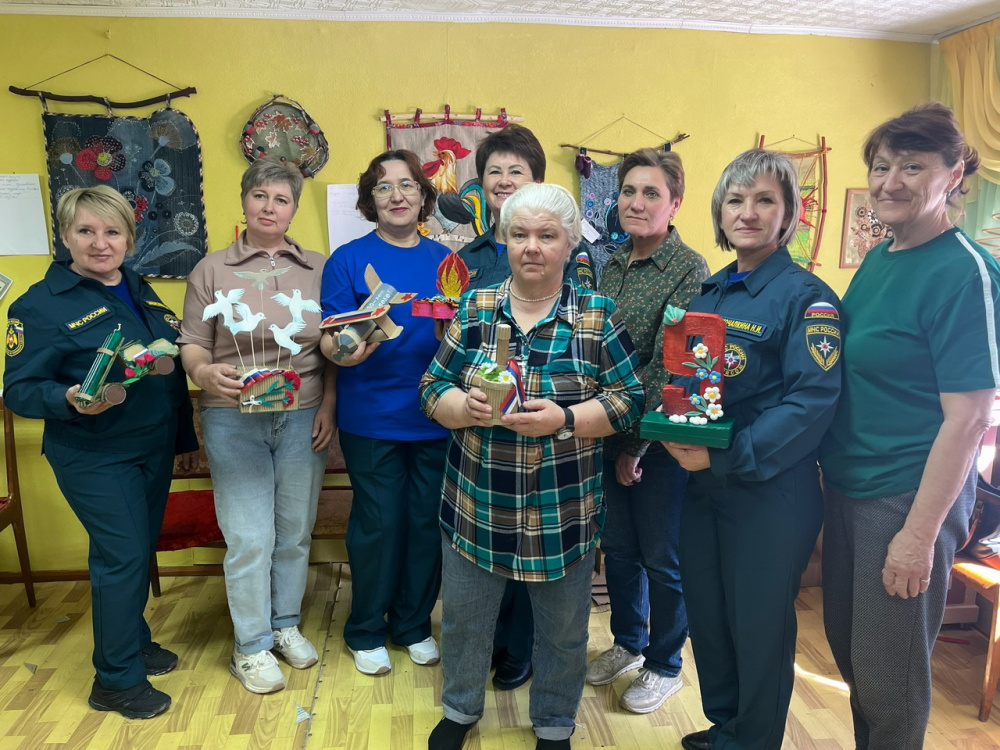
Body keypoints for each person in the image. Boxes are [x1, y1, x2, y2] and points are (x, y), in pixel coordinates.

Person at [419, 183, 645, 750]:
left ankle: (554, 724)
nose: (532, 247)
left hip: (561, 513)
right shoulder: (475, 309)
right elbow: (431, 387)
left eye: (547, 235)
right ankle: (459, 710)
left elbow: (628, 401)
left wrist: (564, 419)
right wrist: (463, 408)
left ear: (569, 245)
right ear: (504, 240)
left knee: (564, 633)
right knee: (466, 623)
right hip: (477, 505)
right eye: (519, 234)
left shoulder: (596, 317)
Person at [819, 103, 1000, 750]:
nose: (890, 181)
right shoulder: (882, 257)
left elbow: (970, 417)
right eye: (881, 166)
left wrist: (918, 537)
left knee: (890, 687)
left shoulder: (964, 272)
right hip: (849, 486)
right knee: (856, 663)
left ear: (952, 175)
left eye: (912, 167)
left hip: (904, 497)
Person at [662, 149, 842, 750]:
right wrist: (670, 425)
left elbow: (811, 403)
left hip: (770, 494)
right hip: (704, 488)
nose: (748, 212)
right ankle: (727, 729)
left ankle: (753, 742)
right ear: (720, 212)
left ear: (789, 214)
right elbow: (692, 383)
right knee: (710, 618)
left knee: (758, 628)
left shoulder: (806, 298)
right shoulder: (710, 292)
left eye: (765, 200)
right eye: (736, 200)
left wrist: (724, 454)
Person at [3, 185, 197, 719]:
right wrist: (65, 398)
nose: (99, 243)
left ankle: (131, 641)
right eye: (85, 231)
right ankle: (115, 680)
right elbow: (18, 390)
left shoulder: (137, 286)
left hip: (151, 447)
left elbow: (166, 369)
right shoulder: (38, 306)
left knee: (135, 550)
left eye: (112, 231)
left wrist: (183, 441)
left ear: (129, 238)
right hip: (93, 454)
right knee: (122, 556)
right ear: (65, 236)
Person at [178, 158, 335, 694]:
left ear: (294, 209)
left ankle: (285, 623)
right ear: (244, 201)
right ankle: (250, 645)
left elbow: (334, 346)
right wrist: (203, 372)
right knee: (249, 537)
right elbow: (192, 343)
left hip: (302, 415)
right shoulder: (211, 269)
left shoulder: (318, 268)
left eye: (282, 199)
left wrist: (329, 407)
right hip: (232, 418)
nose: (270, 207)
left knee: (294, 531)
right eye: (260, 196)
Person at [587, 148, 709, 713]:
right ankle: (628, 642)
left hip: (659, 441)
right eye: (628, 191)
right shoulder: (611, 263)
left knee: (663, 557)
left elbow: (671, 364)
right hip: (605, 432)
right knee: (619, 548)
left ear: (675, 203)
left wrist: (636, 444)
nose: (636, 203)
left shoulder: (688, 268)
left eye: (651, 193)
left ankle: (665, 664)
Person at [320, 150, 450, 676]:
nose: (397, 195)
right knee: (378, 523)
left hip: (438, 414)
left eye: (407, 184)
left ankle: (413, 624)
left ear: (423, 195)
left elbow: (463, 333)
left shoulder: (446, 260)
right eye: (383, 186)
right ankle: (367, 628)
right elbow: (331, 341)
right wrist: (347, 349)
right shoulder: (347, 260)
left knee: (426, 522)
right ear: (369, 200)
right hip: (371, 416)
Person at [458, 123, 596, 292]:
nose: (504, 181)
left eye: (515, 172)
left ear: (537, 181)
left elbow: (580, 303)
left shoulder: (568, 249)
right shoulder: (466, 257)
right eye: (494, 172)